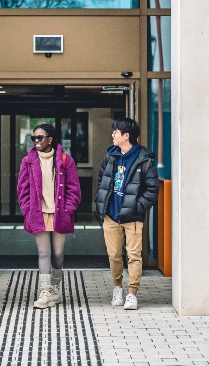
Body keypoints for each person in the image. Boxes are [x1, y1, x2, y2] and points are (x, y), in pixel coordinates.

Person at [94, 118, 159, 310]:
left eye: (116, 132)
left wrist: (137, 207)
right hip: (111, 215)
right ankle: (117, 288)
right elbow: (101, 180)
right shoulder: (111, 156)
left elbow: (152, 190)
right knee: (114, 255)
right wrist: (102, 202)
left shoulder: (144, 159)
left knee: (134, 255)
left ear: (126, 135)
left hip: (133, 217)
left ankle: (132, 293)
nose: (113, 135)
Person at [17, 123, 81, 308]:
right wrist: (28, 210)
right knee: (44, 253)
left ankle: (55, 288)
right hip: (39, 213)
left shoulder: (64, 159)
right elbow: (22, 189)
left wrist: (68, 209)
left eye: (40, 137)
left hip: (60, 213)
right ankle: (45, 292)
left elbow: (74, 189)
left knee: (58, 253)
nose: (36, 141)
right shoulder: (28, 161)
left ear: (50, 139)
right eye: (33, 138)